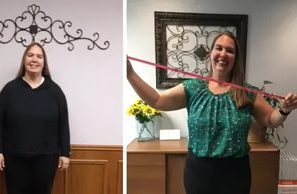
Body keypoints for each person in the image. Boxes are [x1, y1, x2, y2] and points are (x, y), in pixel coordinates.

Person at [127, 31, 297, 194]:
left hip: (236, 175)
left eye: (230, 51)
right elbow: (157, 100)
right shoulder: (193, 88)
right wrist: (130, 74)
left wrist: (284, 110)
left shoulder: (247, 92)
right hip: (199, 173)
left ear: (235, 58)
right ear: (211, 53)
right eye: (219, 48)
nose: (223, 54)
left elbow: (270, 119)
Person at [0, 42, 71, 194]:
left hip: (46, 157)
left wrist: (65, 153)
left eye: (39, 56)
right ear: (24, 60)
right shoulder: (9, 90)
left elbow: (63, 124)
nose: (34, 59)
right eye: (30, 55)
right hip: (14, 157)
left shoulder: (55, 91)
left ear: (44, 62)